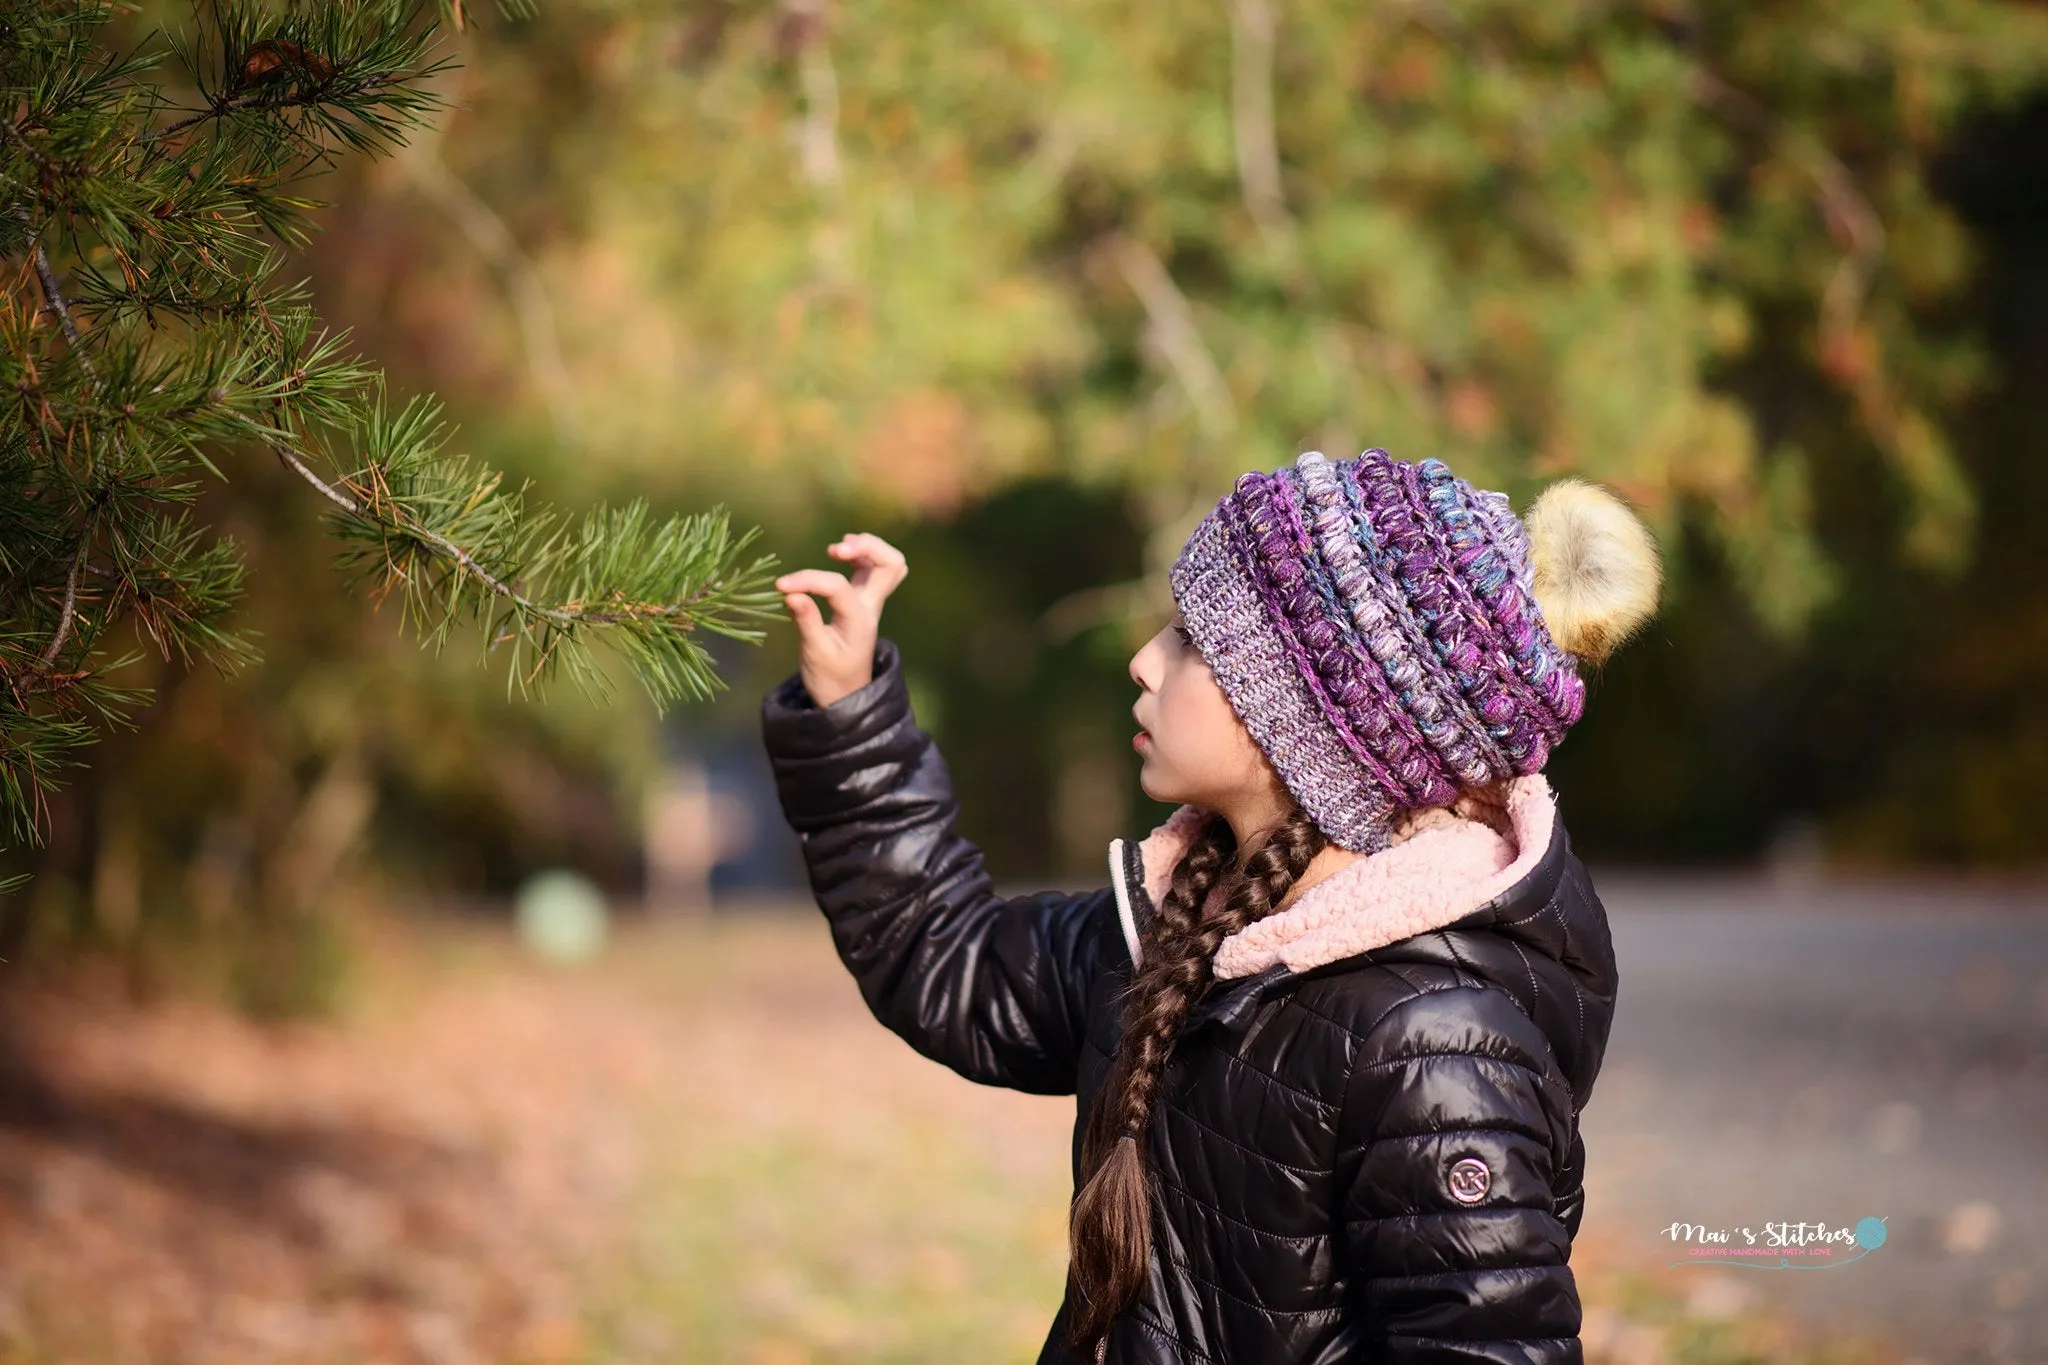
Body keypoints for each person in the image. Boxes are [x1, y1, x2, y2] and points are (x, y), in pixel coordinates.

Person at [760, 447, 1661, 1364]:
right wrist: (851, 714)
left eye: (1192, 637)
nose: (1144, 660)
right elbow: (947, 958)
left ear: (1299, 721)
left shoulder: (1434, 1046)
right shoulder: (1179, 926)